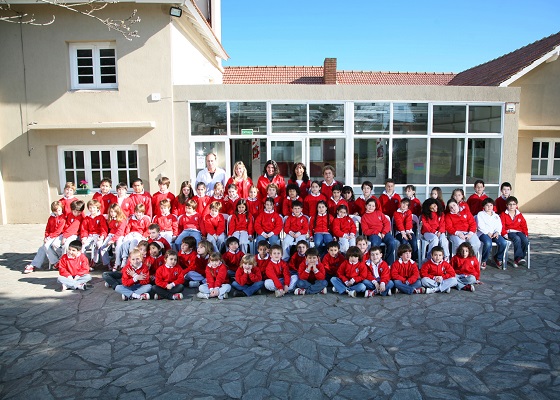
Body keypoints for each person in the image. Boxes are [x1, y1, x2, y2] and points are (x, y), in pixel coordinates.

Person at [24, 201, 66, 274]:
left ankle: (55, 262)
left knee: (46, 246)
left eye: (59, 210)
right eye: (56, 210)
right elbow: (47, 228)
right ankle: (34, 265)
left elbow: (58, 231)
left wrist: (49, 237)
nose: (58, 212)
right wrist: (46, 236)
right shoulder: (51, 218)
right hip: (51, 236)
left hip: (59, 235)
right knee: (43, 247)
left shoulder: (63, 218)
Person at [361, 198, 398, 265]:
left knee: (392, 242)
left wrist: (384, 232)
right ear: (366, 206)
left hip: (384, 232)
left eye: (373, 206)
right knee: (375, 244)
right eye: (369, 205)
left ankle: (388, 263)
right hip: (374, 234)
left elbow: (387, 223)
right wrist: (376, 232)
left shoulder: (379, 213)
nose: (371, 207)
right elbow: (365, 230)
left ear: (375, 207)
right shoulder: (364, 217)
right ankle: (376, 262)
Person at [476, 197, 507, 269]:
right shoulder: (480, 214)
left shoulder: (496, 216)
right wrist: (488, 233)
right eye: (487, 205)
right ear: (483, 206)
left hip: (494, 233)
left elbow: (499, 226)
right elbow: (480, 225)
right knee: (488, 243)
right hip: (483, 233)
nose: (489, 207)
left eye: (491, 205)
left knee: (503, 242)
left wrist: (497, 232)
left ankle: (498, 258)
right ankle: (484, 260)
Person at [118, 203, 151, 269]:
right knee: (125, 244)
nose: (138, 214)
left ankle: (131, 260)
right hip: (131, 234)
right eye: (137, 212)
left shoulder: (145, 219)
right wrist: (126, 234)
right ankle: (124, 259)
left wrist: (143, 236)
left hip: (139, 235)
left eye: (140, 212)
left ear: (143, 213)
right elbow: (128, 228)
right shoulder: (131, 219)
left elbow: (148, 230)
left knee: (133, 243)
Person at [500, 196, 529, 268]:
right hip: (509, 232)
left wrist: (525, 233)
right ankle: (518, 258)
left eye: (513, 204)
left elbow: (524, 225)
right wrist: (505, 234)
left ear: (516, 205)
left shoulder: (519, 214)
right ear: (506, 205)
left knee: (525, 240)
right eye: (510, 204)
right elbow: (501, 226)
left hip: (519, 231)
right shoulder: (503, 214)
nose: (512, 206)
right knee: (517, 239)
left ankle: (520, 258)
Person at [99, 203, 128, 271]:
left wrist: (113, 240)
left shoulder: (122, 219)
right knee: (102, 248)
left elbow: (120, 231)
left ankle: (117, 263)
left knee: (118, 248)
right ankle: (108, 264)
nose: (112, 213)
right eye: (111, 211)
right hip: (111, 234)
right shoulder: (110, 218)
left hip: (119, 236)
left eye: (114, 211)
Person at [80, 199, 108, 266]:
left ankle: (95, 261)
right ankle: (84, 262)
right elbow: (84, 229)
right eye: (90, 207)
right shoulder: (87, 218)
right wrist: (84, 237)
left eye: (94, 208)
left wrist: (102, 236)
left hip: (98, 235)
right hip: (89, 235)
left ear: (97, 208)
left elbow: (103, 228)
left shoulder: (101, 217)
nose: (92, 209)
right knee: (83, 246)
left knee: (97, 245)